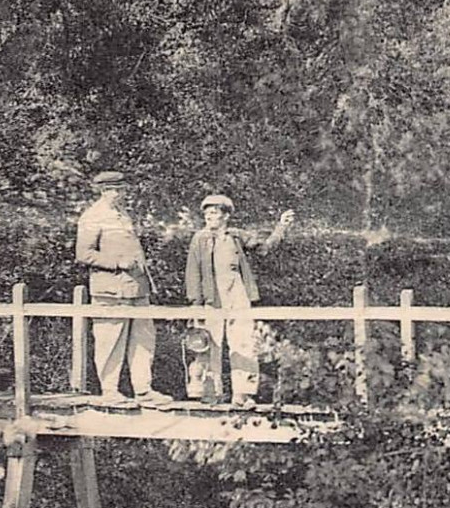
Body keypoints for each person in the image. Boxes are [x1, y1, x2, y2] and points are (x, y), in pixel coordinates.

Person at [74, 172, 174, 408]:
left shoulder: (123, 215)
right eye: (113, 190)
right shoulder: (93, 216)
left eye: (121, 189)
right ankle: (110, 391)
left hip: (137, 289)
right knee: (110, 339)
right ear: (102, 191)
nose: (118, 194)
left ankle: (143, 390)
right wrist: (118, 263)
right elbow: (83, 253)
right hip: (110, 290)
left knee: (143, 340)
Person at [185, 194, 294, 407]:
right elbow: (192, 272)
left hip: (237, 295)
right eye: (206, 213)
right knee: (208, 344)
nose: (209, 217)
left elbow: (264, 248)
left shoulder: (236, 236)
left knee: (244, 343)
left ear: (226, 216)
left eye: (214, 213)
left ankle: (243, 394)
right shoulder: (200, 238)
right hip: (210, 298)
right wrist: (195, 304)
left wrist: (281, 227)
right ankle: (211, 393)